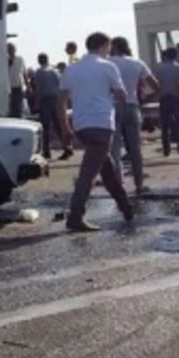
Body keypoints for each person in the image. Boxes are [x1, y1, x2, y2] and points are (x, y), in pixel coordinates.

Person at [57, 31, 134, 232]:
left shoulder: (72, 69)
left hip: (81, 124)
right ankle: (75, 215)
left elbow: (61, 101)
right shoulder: (108, 67)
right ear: (103, 46)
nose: (109, 51)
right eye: (108, 47)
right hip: (101, 123)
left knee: (106, 168)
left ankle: (126, 207)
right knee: (88, 174)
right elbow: (121, 94)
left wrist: (65, 126)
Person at [109, 37, 158, 195]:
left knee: (115, 148)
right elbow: (155, 85)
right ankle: (139, 184)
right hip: (132, 106)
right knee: (135, 148)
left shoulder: (108, 63)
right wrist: (145, 98)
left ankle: (118, 185)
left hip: (113, 107)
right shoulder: (137, 63)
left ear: (114, 47)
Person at [32, 54, 72, 161]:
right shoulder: (55, 71)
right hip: (56, 98)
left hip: (46, 99)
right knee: (58, 125)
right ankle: (67, 147)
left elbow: (39, 89)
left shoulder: (39, 72)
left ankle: (46, 151)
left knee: (45, 127)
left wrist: (36, 103)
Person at [154, 47, 179, 159]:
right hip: (176, 98)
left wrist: (158, 96)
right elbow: (178, 82)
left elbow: (157, 84)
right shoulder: (178, 67)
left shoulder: (159, 68)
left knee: (164, 125)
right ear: (176, 55)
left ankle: (166, 149)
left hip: (164, 98)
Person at [7, 43, 27, 119]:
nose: (11, 51)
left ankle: (18, 118)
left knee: (19, 106)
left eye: (12, 49)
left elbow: (24, 72)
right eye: (9, 49)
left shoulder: (20, 59)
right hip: (9, 87)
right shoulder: (5, 60)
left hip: (19, 86)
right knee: (11, 106)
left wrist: (27, 85)